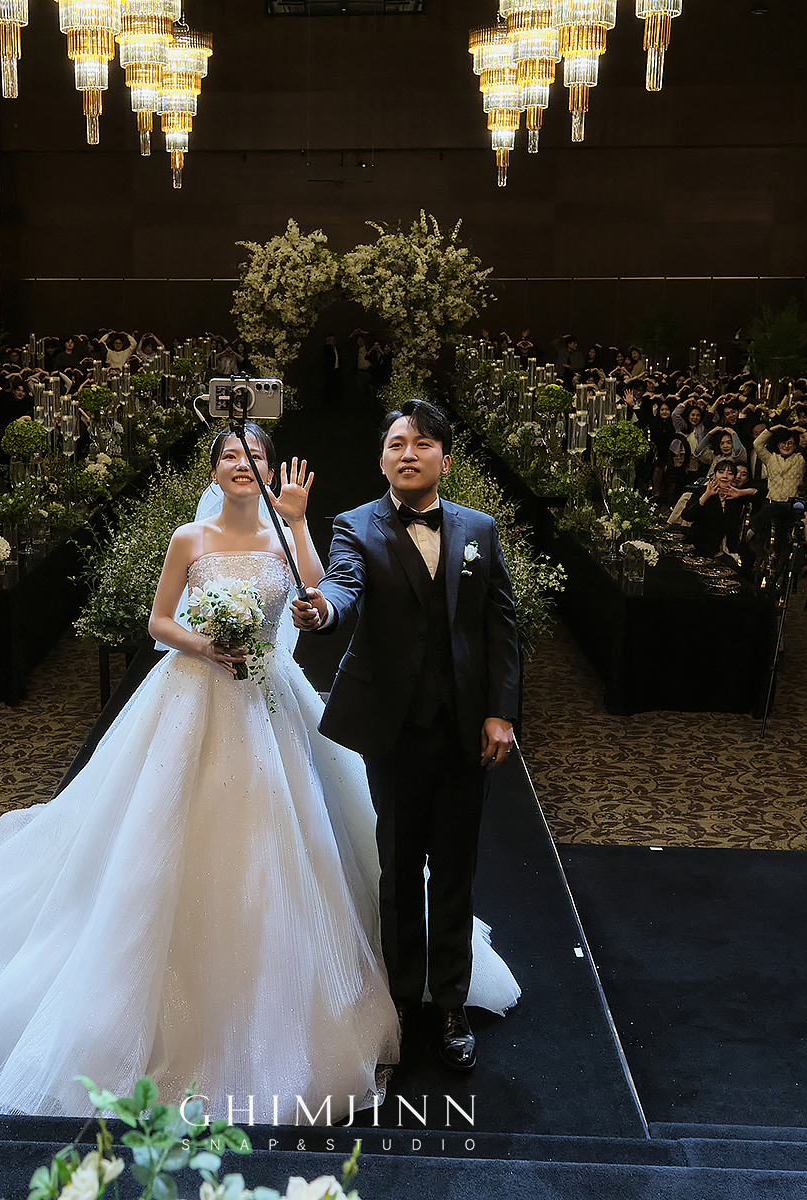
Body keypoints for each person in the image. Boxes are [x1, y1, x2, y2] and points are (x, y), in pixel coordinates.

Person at [0, 422, 518, 1118]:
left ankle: (416, 993)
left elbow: (319, 592)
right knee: (163, 833)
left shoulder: (290, 532)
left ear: (271, 469)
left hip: (268, 694)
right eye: (231, 457)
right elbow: (159, 623)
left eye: (255, 457)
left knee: (300, 834)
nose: (243, 465)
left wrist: (298, 523)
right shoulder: (190, 537)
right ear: (213, 473)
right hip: (193, 692)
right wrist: (204, 644)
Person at [291, 398, 522, 1072]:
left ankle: (449, 1004)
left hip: (464, 727)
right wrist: (322, 610)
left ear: (444, 458)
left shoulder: (479, 529)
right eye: (397, 443)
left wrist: (501, 711)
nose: (408, 453)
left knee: (454, 868)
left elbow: (501, 626)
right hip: (391, 728)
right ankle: (397, 1005)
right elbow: (343, 587)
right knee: (397, 870)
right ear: (382, 458)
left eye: (422, 443)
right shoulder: (354, 525)